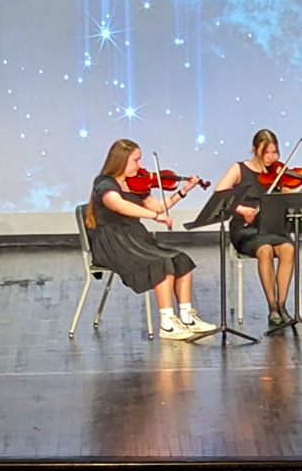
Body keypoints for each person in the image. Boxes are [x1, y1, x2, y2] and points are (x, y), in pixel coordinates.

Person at [84, 138, 215, 340]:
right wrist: (155, 217)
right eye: (136, 160)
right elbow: (118, 205)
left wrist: (183, 191)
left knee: (180, 260)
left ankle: (187, 317)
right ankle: (167, 324)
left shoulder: (136, 184)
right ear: (121, 161)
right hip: (114, 242)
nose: (141, 165)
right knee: (161, 264)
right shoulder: (104, 184)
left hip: (136, 238)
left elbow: (159, 207)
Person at [215, 129, 302, 328]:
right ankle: (272, 307)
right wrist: (242, 209)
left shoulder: (279, 172)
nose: (271, 158)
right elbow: (219, 196)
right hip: (246, 228)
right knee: (265, 250)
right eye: (266, 153)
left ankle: (282, 305)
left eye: (274, 153)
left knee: (288, 249)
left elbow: (291, 199)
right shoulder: (239, 169)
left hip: (272, 226)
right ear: (255, 150)